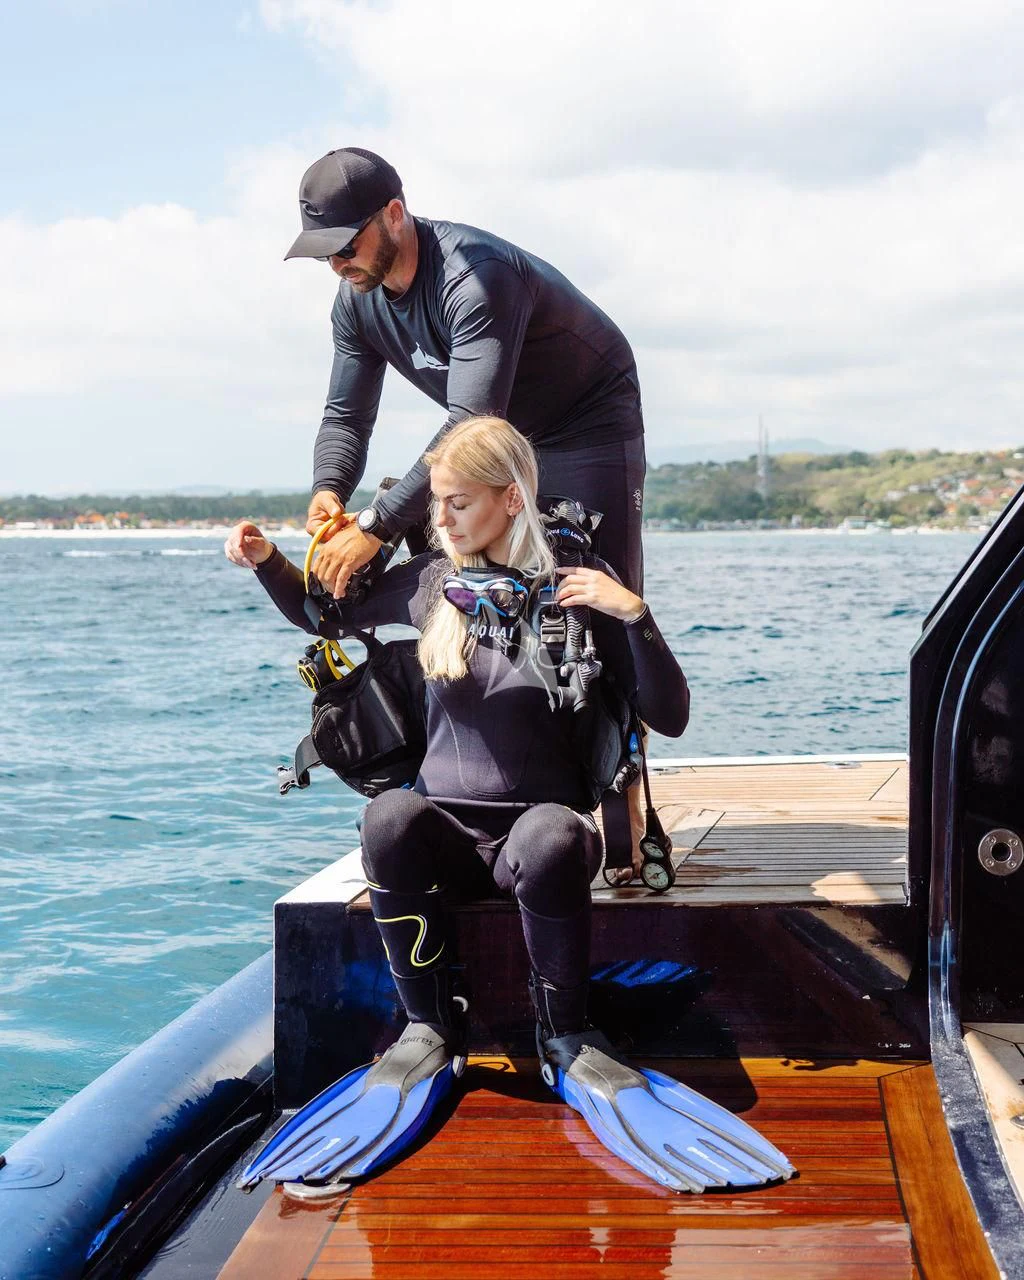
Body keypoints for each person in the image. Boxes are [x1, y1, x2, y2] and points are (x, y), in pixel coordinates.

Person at [226, 417, 794, 1196]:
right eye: (437, 507)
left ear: (511, 497)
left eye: (458, 504)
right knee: (389, 819)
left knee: (557, 834)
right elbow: (324, 615)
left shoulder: (575, 584)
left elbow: (672, 715)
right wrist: (266, 562)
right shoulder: (433, 584)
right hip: (451, 840)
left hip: (539, 843)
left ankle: (565, 1032)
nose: (443, 520)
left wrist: (633, 614)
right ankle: (428, 1027)